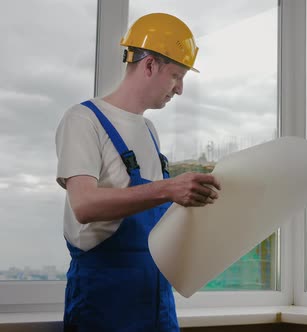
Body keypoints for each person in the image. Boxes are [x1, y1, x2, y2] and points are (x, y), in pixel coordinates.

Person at [55, 13, 220, 332]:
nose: (180, 89)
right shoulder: (83, 120)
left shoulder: (149, 131)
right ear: (148, 65)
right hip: (104, 305)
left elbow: (154, 214)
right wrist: (168, 189)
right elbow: (84, 205)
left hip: (157, 303)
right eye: (176, 75)